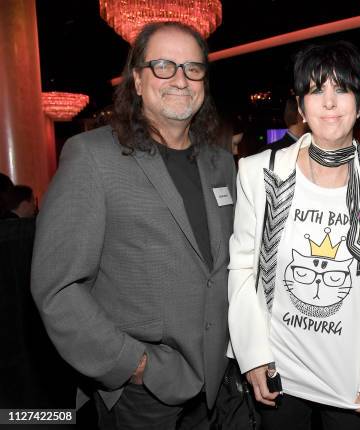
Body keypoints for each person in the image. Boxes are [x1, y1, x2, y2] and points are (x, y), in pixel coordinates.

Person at [31, 21, 236, 430]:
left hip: (219, 383)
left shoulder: (221, 163)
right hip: (143, 393)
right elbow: (57, 287)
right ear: (138, 81)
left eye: (193, 68)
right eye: (164, 66)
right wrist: (134, 365)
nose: (181, 79)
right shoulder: (92, 157)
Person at [228, 41, 360, 430]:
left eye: (341, 89)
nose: (329, 102)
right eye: (315, 90)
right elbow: (241, 269)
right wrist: (252, 356)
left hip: (348, 376)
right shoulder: (259, 172)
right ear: (301, 106)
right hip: (279, 372)